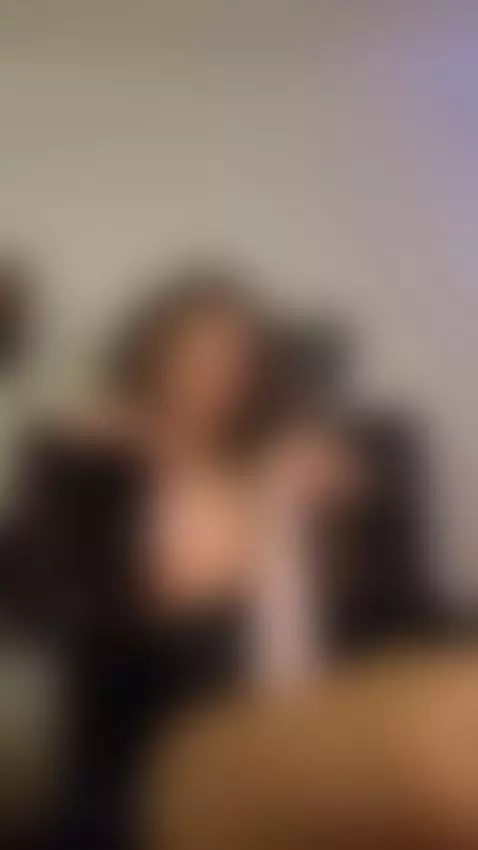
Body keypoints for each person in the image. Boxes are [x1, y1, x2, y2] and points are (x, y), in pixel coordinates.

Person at [2, 264, 404, 848]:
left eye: (234, 361)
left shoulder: (283, 464)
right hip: (159, 737)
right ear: (152, 359)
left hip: (296, 720)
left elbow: (330, 633)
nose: (214, 378)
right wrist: (119, 469)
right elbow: (37, 606)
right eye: (194, 355)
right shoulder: (93, 465)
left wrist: (324, 515)